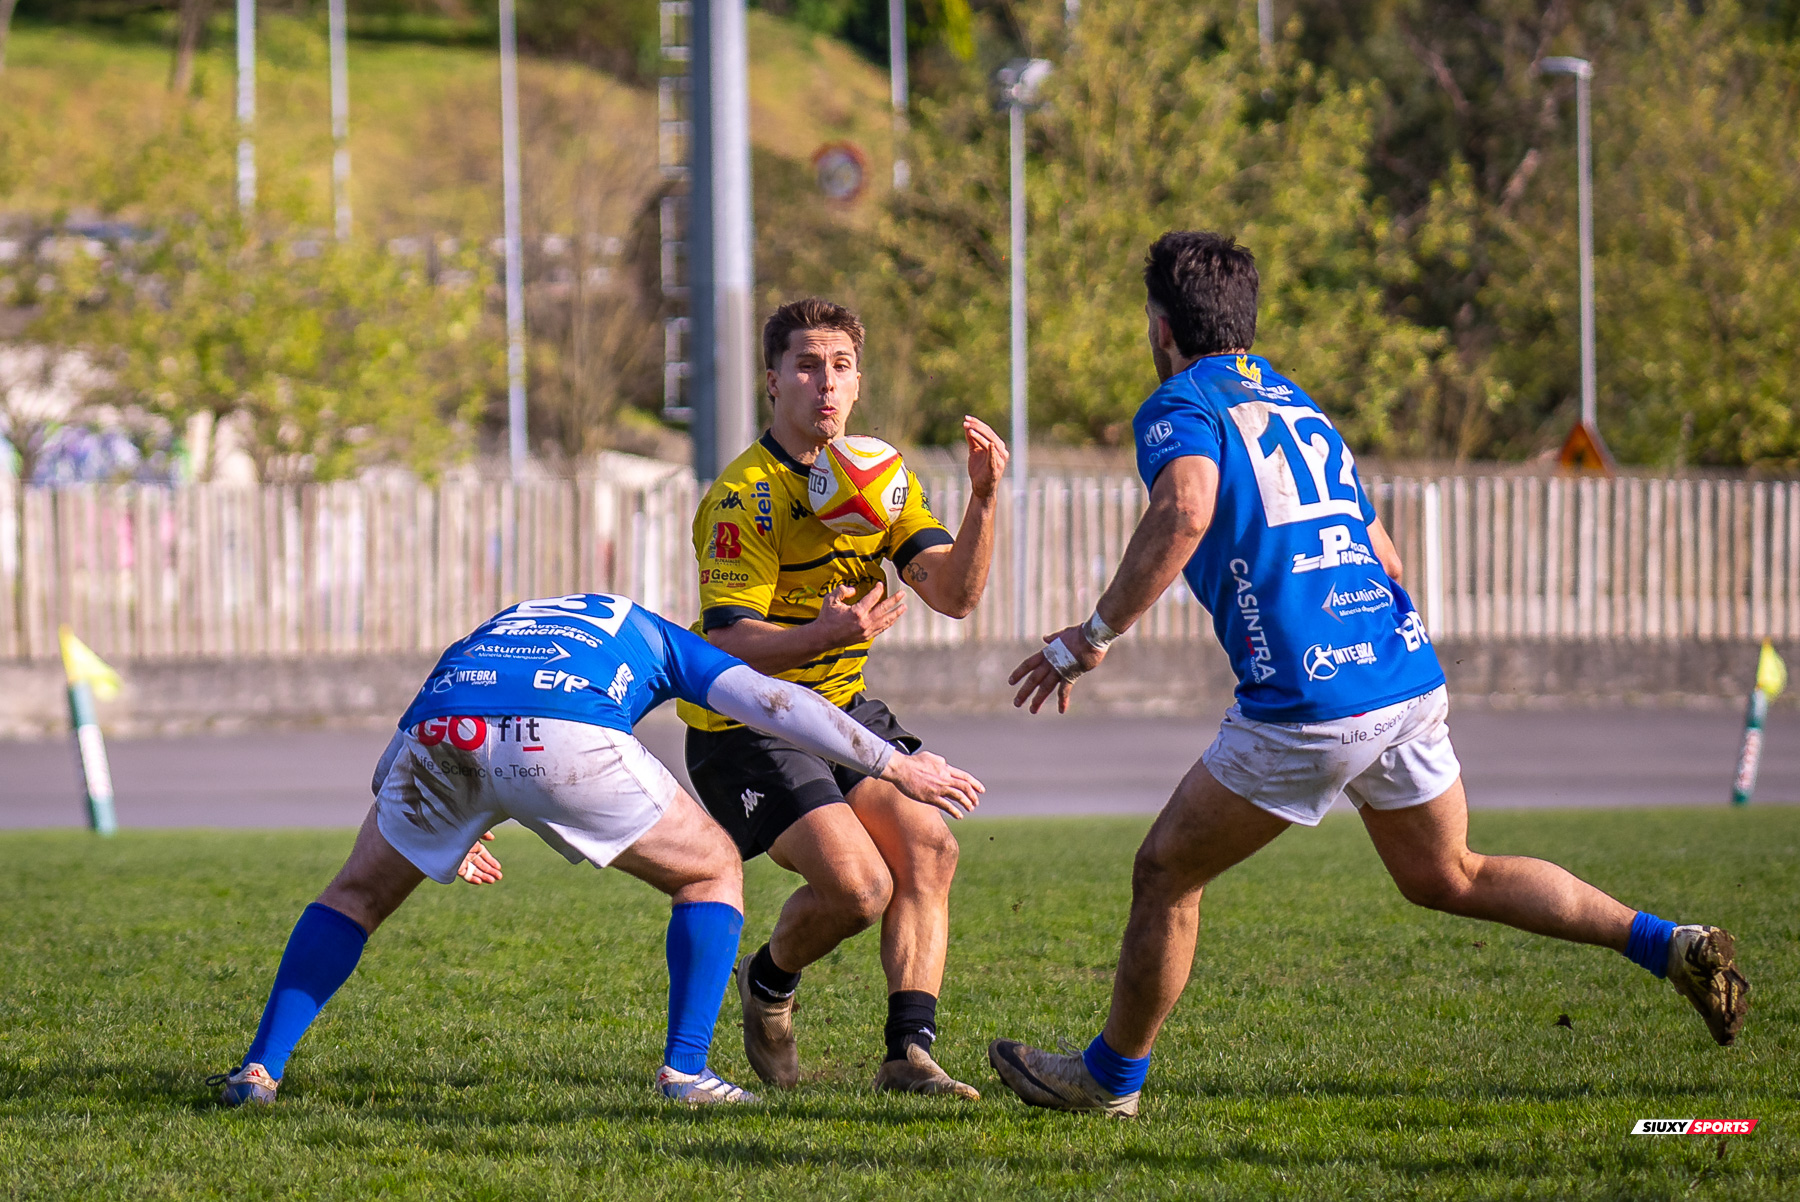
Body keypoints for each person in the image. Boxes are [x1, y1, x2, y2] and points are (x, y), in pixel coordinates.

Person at [987, 231, 1751, 1118]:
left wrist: (1091, 636)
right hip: (1401, 674)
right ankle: (1668, 944)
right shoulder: (1300, 405)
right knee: (1448, 874)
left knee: (1165, 871)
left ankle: (1109, 1081)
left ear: (1162, 327)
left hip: (1310, 699)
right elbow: (1385, 555)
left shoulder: (1180, 403)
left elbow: (1186, 508)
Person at [208, 591, 983, 1108]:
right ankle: (687, 1070)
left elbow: (400, 753)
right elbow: (777, 703)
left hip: (443, 734)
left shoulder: (498, 628)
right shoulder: (653, 634)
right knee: (712, 869)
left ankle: (260, 1068)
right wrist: (893, 764)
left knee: (354, 895)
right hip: (563, 734)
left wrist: (448, 825)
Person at [681, 297, 1008, 1097]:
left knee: (930, 847)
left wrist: (983, 500)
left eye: (841, 366)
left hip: (839, 709)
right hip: (744, 721)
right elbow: (727, 645)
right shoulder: (745, 496)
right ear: (772, 381)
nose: (825, 383)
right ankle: (767, 983)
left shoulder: (880, 483)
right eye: (805, 365)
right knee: (860, 890)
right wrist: (821, 634)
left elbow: (956, 595)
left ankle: (907, 1055)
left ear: (858, 381)